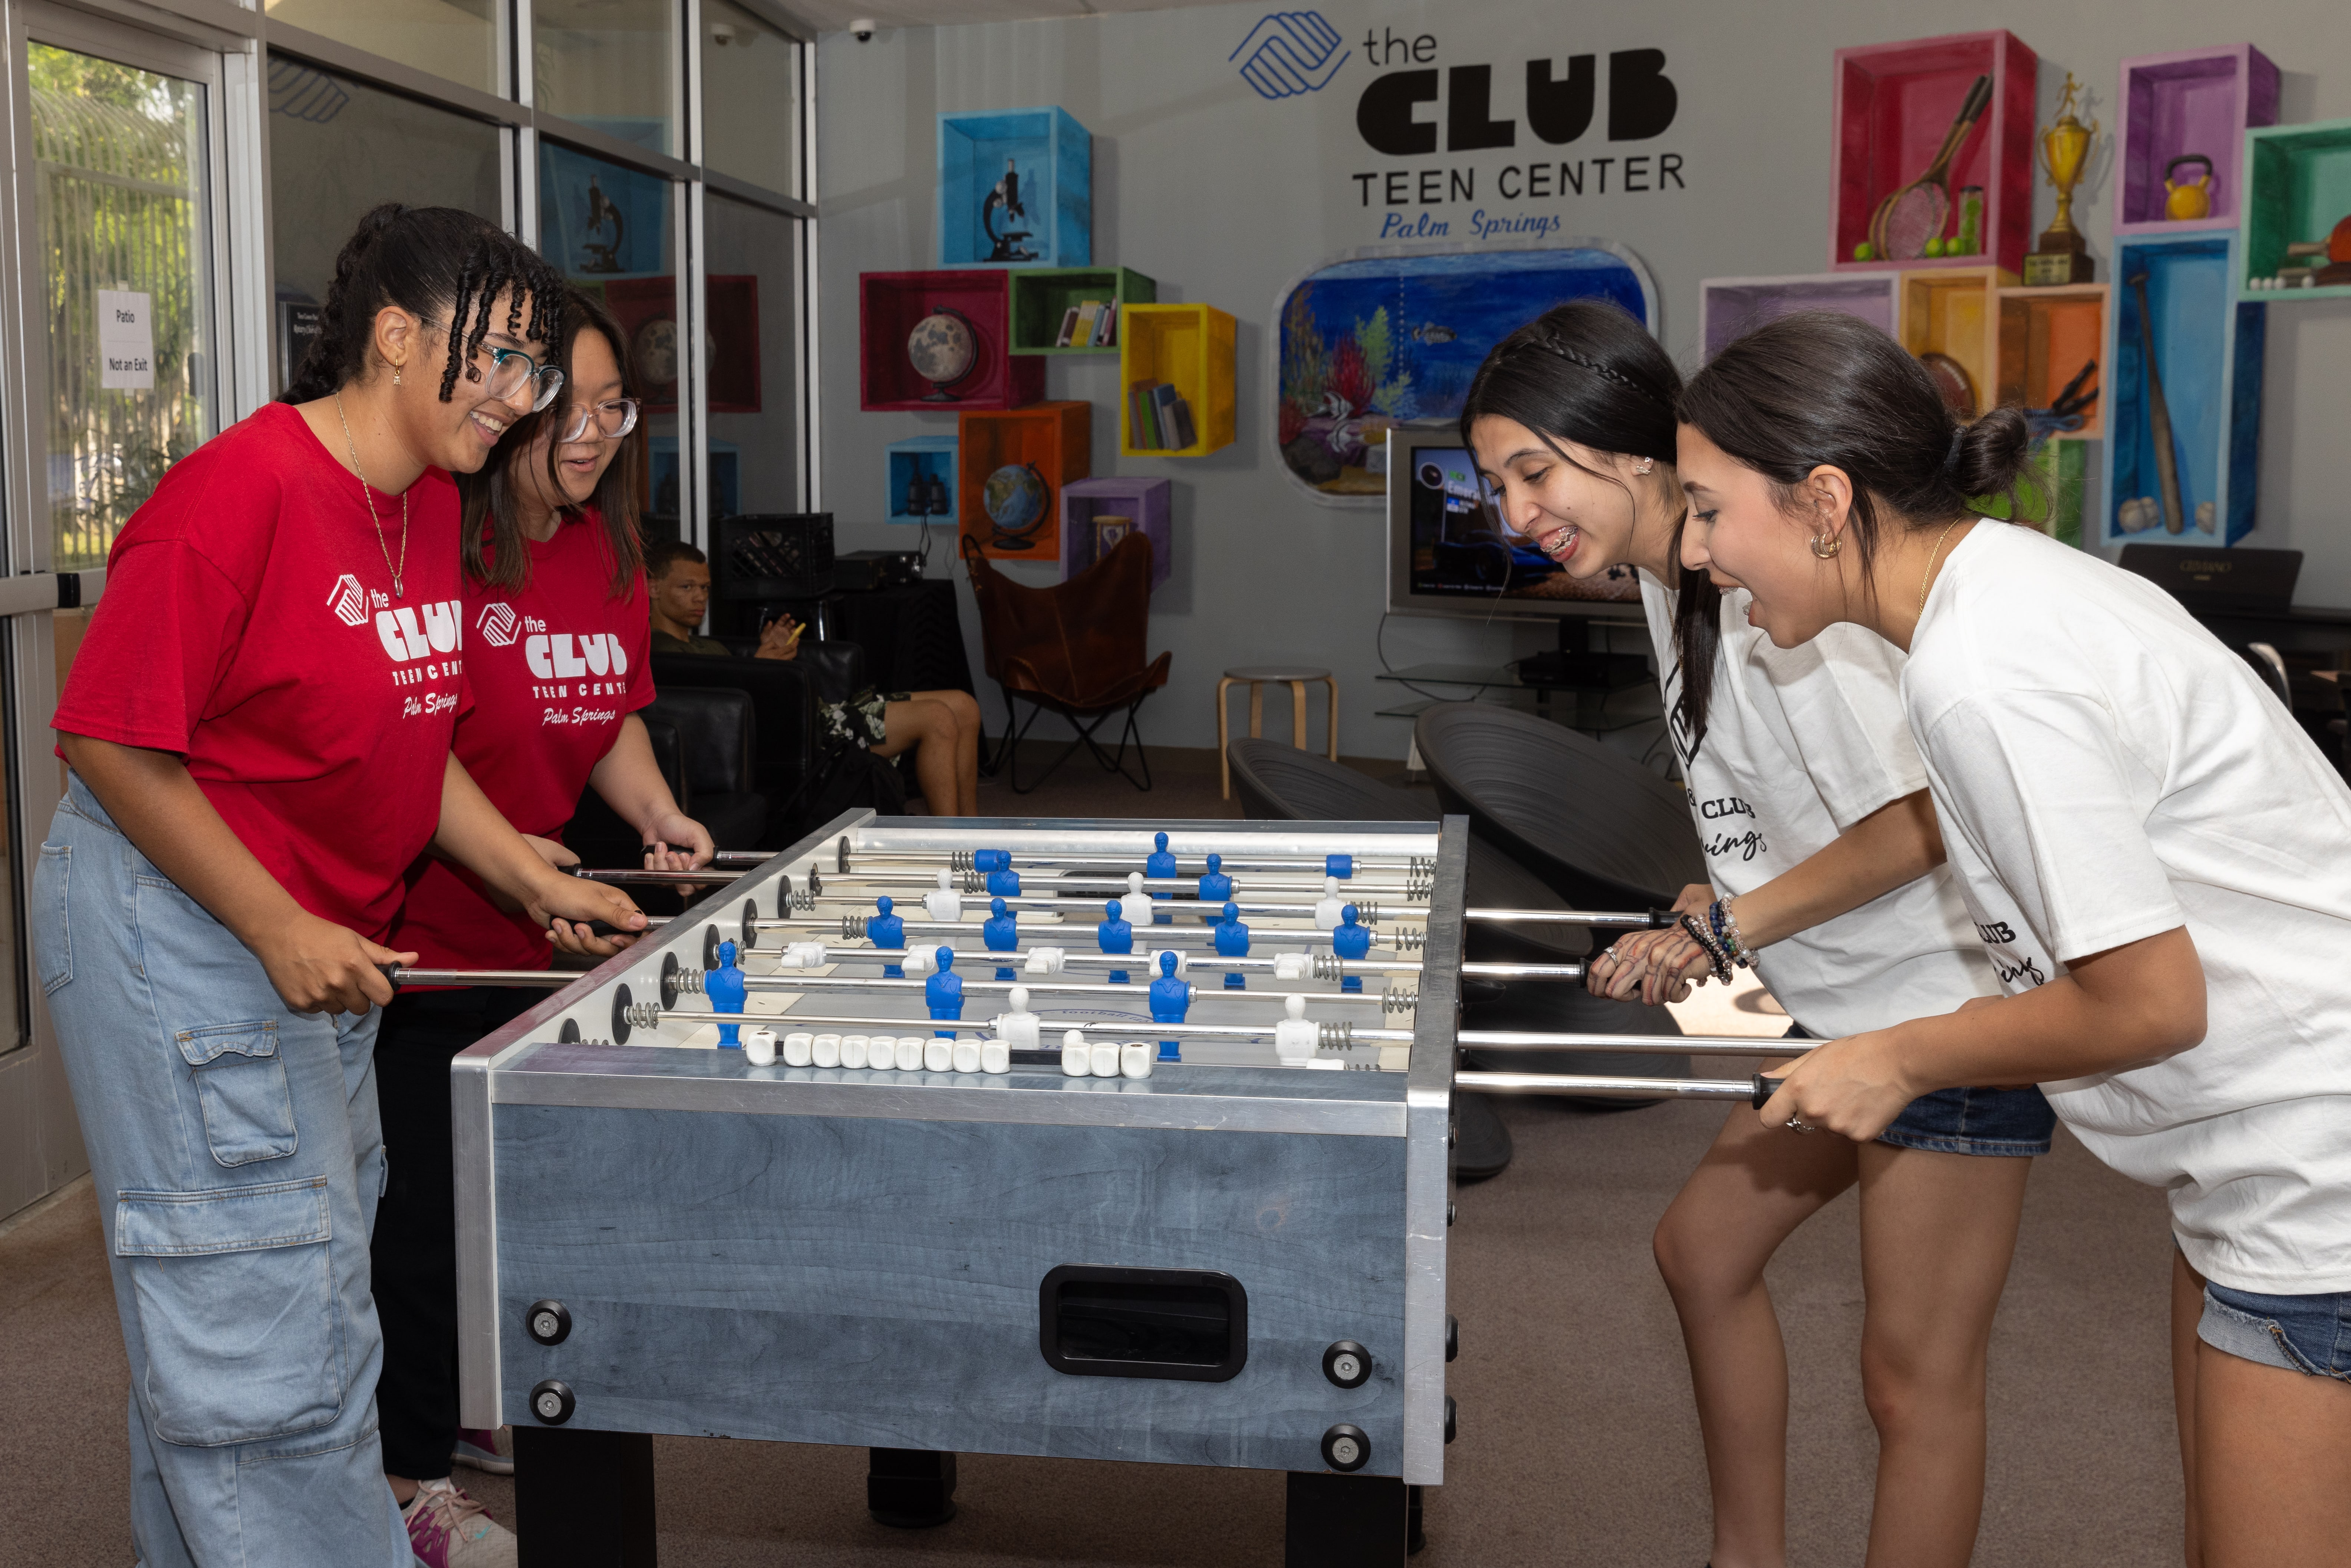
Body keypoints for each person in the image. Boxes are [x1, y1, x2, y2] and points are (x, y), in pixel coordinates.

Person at [1676, 309, 2351, 1568]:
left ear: (1822, 499)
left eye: (1711, 510)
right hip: (2249, 1162)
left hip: (2313, 1162)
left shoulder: (1979, 668)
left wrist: (1897, 1054)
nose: (1699, 550)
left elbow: (2148, 1001)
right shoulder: (1997, 594)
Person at [34, 204, 644, 1568]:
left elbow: (404, 736)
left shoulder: (425, 500)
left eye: (535, 374)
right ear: (392, 337)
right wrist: (275, 920)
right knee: (265, 1328)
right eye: (497, 361)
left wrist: (530, 876)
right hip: (178, 924)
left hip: (304, 926)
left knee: (286, 1293)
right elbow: (105, 738)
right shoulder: (234, 498)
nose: (523, 400)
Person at [1459, 299, 2053, 1568]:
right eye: (1490, 484)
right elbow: (1785, 804)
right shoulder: (1659, 579)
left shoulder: (1767, 575)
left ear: (1630, 450)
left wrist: (1736, 917)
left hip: (1941, 1008)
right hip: (1833, 997)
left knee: (1910, 1379)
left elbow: (1929, 815)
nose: (1511, 513)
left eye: (1530, 471)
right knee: (1698, 1249)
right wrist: (1710, 900)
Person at [369, 287, 711, 1564]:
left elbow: (604, 707)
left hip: (540, 937)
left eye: (615, 407)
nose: (592, 430)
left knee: (508, 1197)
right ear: (509, 398)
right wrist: (520, 867)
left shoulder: (606, 552)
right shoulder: (436, 549)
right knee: (416, 1227)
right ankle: (409, 1488)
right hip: (427, 932)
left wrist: (658, 815)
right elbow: (415, 748)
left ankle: (468, 1400)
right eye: (568, 402)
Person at [643, 538, 981, 816]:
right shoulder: (660, 651)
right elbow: (718, 707)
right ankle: (947, 838)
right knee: (937, 716)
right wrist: (760, 666)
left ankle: (972, 828)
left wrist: (768, 657)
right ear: (654, 588)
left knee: (963, 705)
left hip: (826, 714)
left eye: (704, 588)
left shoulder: (705, 644)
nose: (700, 597)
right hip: (814, 734)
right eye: (687, 587)